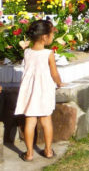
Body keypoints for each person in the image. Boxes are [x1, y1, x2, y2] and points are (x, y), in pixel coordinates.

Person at [14, 19, 65, 162]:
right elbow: (54, 73)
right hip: (43, 91)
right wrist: (59, 82)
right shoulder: (48, 53)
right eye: (51, 34)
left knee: (30, 121)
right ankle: (48, 151)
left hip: (30, 92)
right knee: (46, 120)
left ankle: (29, 153)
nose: (53, 37)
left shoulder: (27, 52)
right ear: (44, 37)